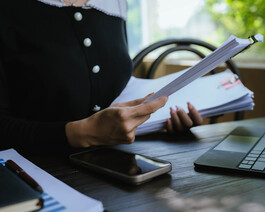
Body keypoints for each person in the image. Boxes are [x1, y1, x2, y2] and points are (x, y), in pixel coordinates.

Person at [0, 0, 203, 154]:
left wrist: (157, 121)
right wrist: (81, 132)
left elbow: (117, 90)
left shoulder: (114, 4)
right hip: (35, 175)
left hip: (120, 163)